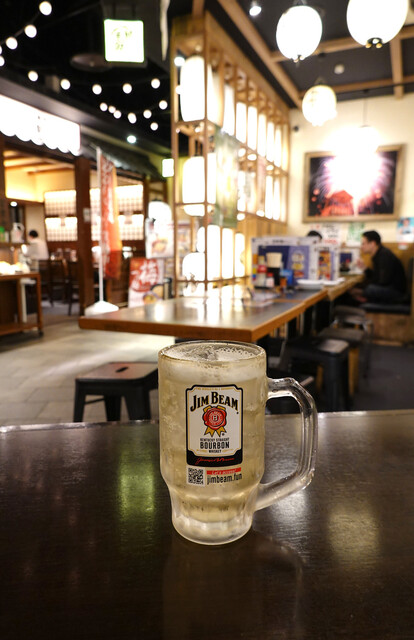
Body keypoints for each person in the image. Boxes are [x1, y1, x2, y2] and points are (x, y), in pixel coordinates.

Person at [351, 230, 406, 304]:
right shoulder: (379, 254)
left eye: (363, 244)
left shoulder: (384, 255)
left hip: (396, 293)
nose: (361, 247)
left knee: (369, 288)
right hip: (389, 289)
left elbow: (383, 281)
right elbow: (377, 276)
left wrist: (361, 291)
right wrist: (364, 268)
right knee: (362, 288)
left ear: (373, 244)